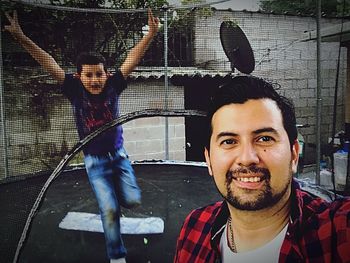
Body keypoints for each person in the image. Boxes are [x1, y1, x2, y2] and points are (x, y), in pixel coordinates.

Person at [5, 9, 159, 263]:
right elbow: (48, 61)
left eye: (99, 74)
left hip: (119, 156)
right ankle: (117, 256)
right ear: (79, 77)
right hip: (95, 162)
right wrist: (21, 37)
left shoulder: (113, 85)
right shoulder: (74, 90)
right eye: (88, 75)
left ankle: (118, 196)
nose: (94, 80)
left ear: (106, 75)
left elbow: (133, 57)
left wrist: (151, 34)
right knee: (109, 209)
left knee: (132, 200)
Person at [174, 76, 350, 262]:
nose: (247, 158)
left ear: (294, 154)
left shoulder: (335, 232)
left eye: (265, 139)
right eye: (229, 141)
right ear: (209, 160)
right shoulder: (195, 228)